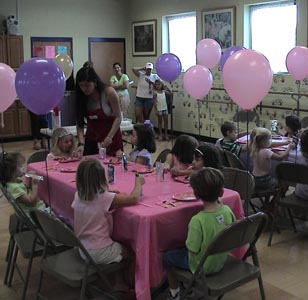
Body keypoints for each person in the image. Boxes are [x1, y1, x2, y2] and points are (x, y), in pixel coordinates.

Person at [72, 158, 145, 290]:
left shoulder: (78, 195)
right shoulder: (104, 198)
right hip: (98, 251)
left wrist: (110, 195)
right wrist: (138, 183)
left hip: (83, 247)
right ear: (101, 178)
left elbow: (98, 199)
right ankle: (129, 285)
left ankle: (118, 281)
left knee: (116, 243)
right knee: (133, 253)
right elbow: (133, 198)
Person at [163, 167, 236, 300]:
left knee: (168, 256)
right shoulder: (227, 210)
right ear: (222, 192)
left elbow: (192, 249)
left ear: (196, 195)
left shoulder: (198, 220)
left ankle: (175, 293)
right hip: (220, 261)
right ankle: (186, 288)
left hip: (200, 267)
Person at [75, 66, 123, 157]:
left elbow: (118, 117)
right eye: (81, 85)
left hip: (111, 138)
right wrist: (81, 143)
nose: (85, 88)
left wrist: (109, 137)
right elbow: (79, 122)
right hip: (92, 139)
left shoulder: (109, 92)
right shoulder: (81, 98)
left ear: (95, 82)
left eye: (87, 85)